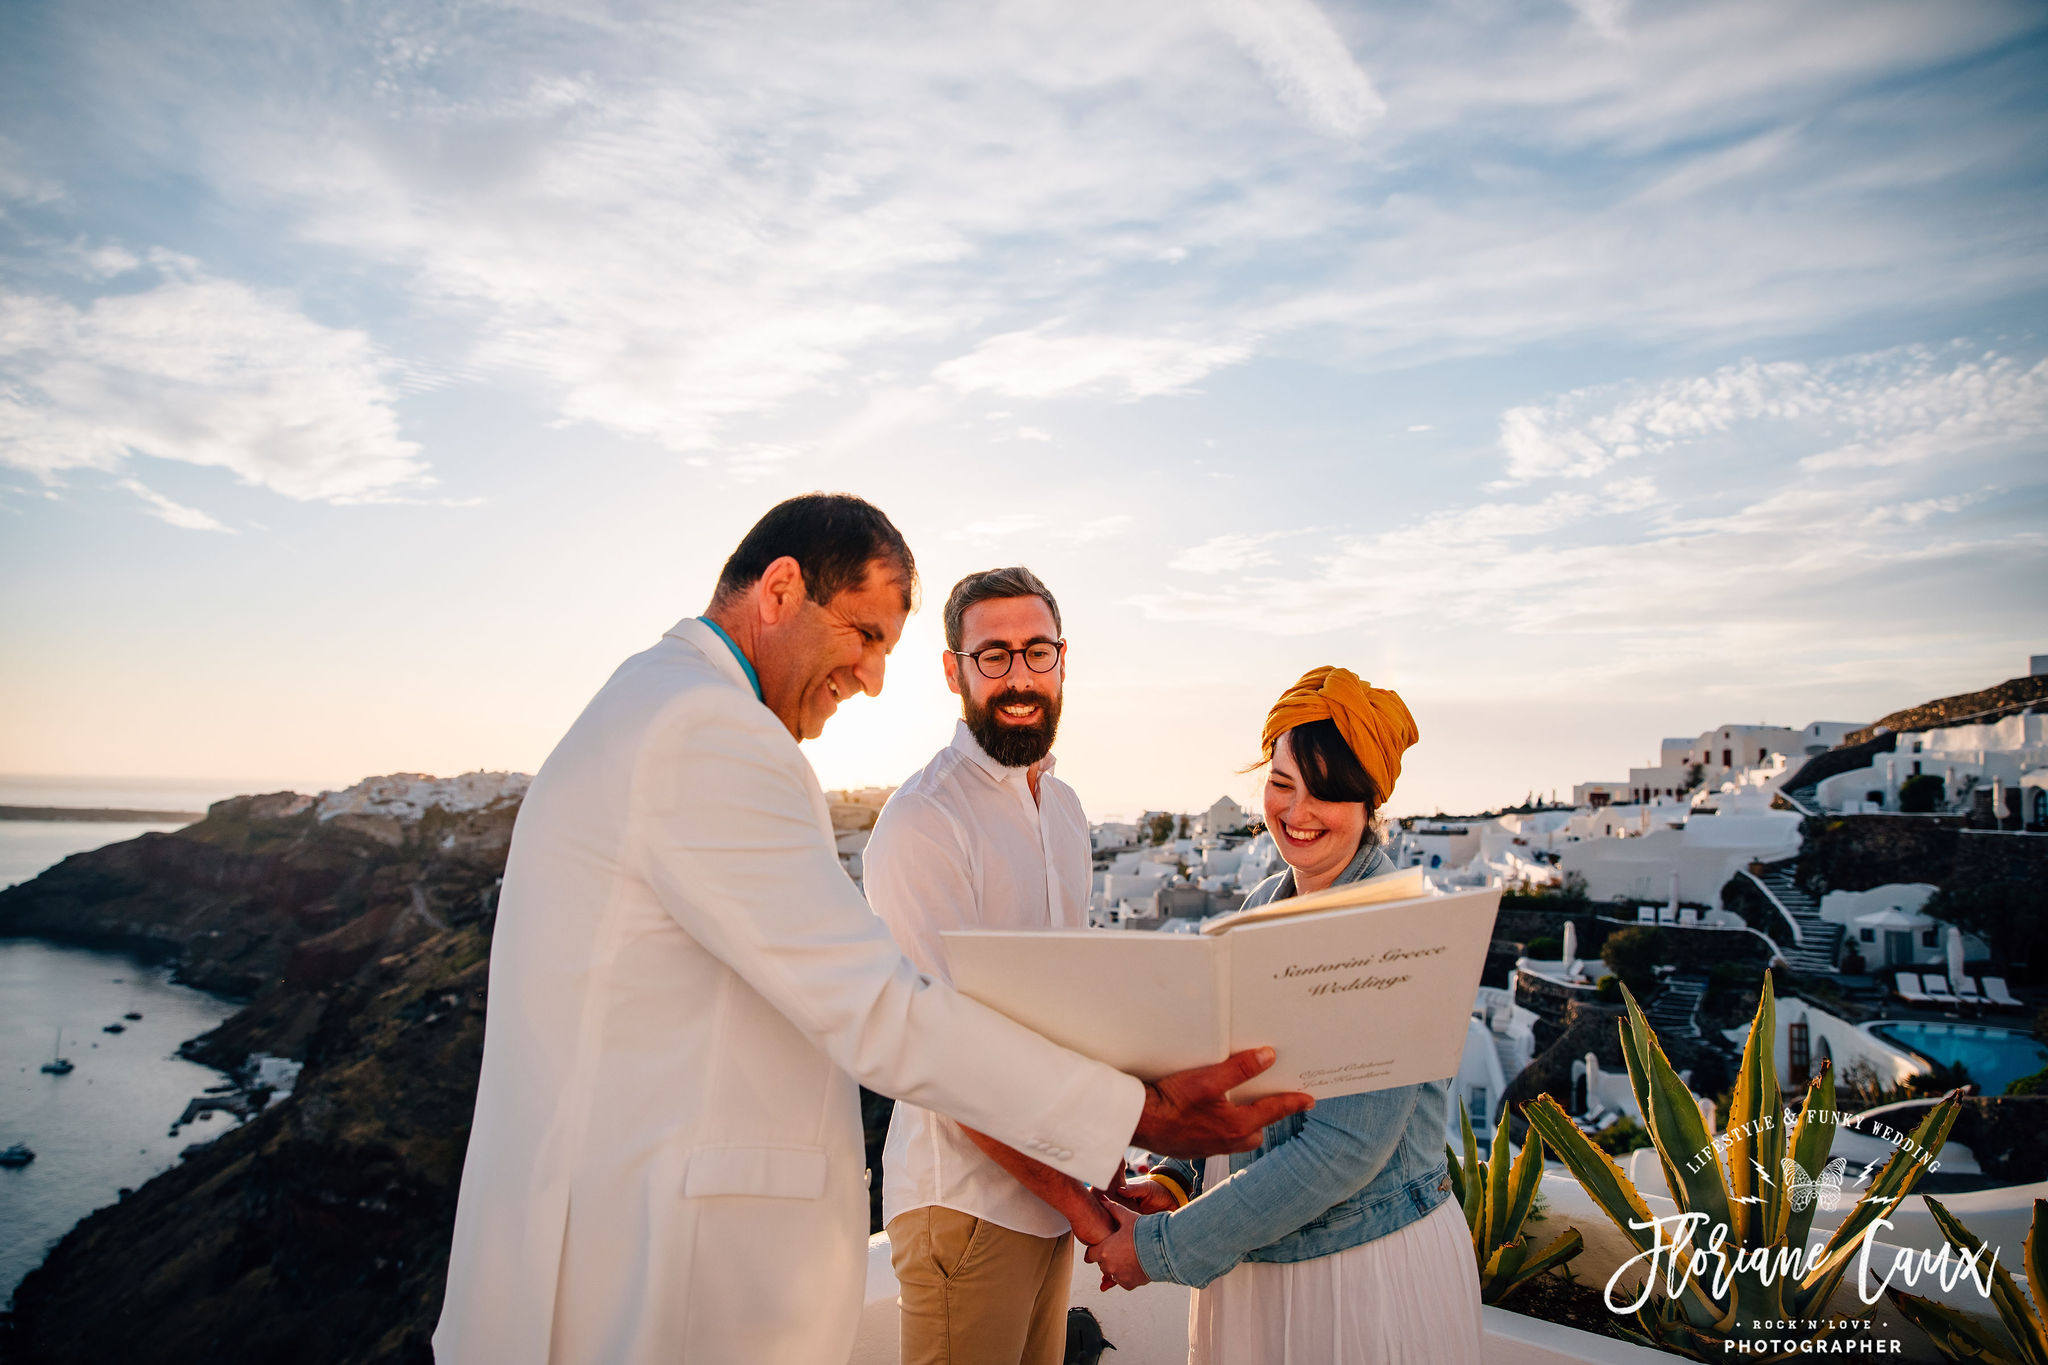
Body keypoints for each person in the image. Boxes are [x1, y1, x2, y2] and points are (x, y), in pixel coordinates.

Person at [433, 494, 1312, 1365]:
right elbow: (885, 1010)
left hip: (622, 1258)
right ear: (780, 590)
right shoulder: (707, 728)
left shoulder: (652, 704)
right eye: (864, 634)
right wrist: (1142, 1112)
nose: (871, 676)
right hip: (648, 1285)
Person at [1086, 666, 1484, 1365]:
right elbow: (1232, 1078)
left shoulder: (1393, 929)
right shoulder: (1264, 903)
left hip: (1360, 1277)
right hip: (1257, 1271)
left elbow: (1346, 1150)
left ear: (1369, 800)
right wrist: (1178, 1174)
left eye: (1326, 789)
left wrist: (1159, 1249)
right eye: (1282, 782)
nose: (1297, 812)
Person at [865, 566, 1107, 1365]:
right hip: (964, 1206)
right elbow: (947, 1059)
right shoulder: (925, 822)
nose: (1018, 678)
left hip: (1050, 1199)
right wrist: (1080, 1195)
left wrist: (1089, 1177)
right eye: (992, 655)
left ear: (1064, 660)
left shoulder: (1067, 814)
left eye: (1036, 652)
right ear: (953, 670)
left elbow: (1069, 1021)